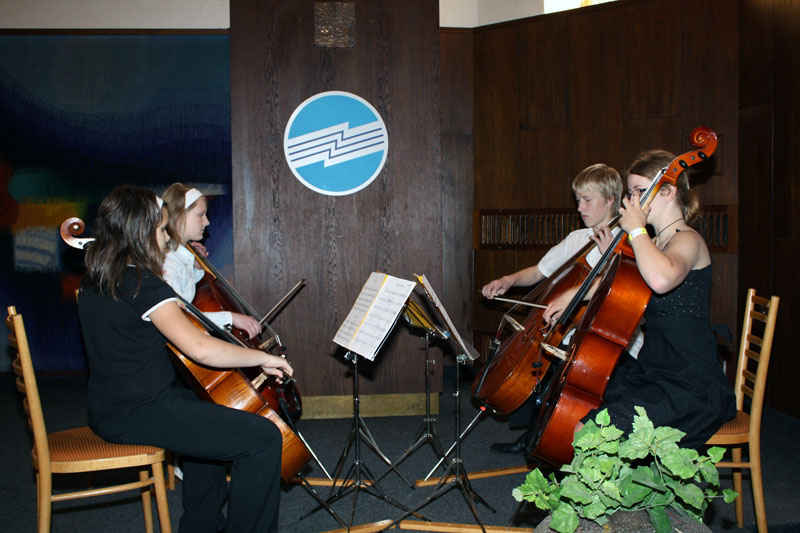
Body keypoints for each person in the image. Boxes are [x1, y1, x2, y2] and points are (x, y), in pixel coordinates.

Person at [77, 186, 292, 532]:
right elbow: (200, 347)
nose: (167, 238)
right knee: (264, 438)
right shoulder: (143, 285)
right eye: (162, 229)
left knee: (207, 424)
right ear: (140, 233)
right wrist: (261, 358)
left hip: (110, 408)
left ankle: (201, 526)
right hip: (140, 412)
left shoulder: (95, 280)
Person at [543, 150, 737, 448]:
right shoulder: (654, 242)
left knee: (591, 432)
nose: (632, 201)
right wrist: (573, 295)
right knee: (591, 405)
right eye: (630, 192)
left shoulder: (687, 239)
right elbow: (625, 286)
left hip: (689, 381)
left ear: (669, 192)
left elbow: (661, 280)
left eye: (640, 191)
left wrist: (635, 229)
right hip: (656, 368)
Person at [482, 163, 644, 454]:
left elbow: (625, 293)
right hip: (570, 335)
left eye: (587, 200)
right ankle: (535, 435)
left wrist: (611, 259)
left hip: (609, 344)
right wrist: (508, 280)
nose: (580, 207)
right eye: (578, 199)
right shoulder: (577, 239)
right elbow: (540, 271)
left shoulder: (631, 240)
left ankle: (569, 442)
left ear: (610, 200)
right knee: (544, 370)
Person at [161, 183, 261, 339]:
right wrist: (231, 318)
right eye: (200, 215)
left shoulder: (178, 257)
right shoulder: (169, 263)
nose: (206, 222)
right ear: (179, 217)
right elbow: (181, 318)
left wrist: (195, 266)